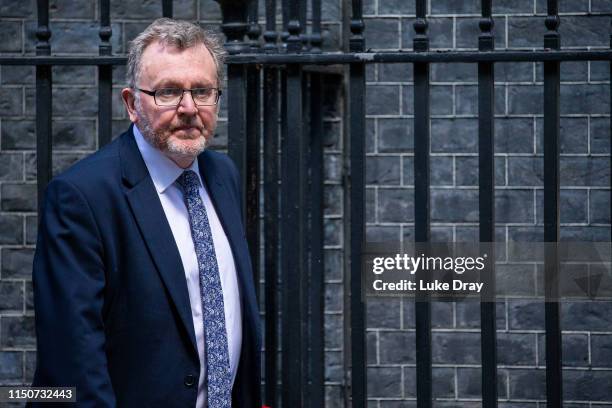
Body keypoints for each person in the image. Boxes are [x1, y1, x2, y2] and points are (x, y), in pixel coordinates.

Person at [30, 18, 261, 408]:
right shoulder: (81, 197)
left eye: (202, 91)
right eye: (169, 92)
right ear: (131, 104)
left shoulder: (223, 176)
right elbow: (72, 362)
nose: (189, 108)